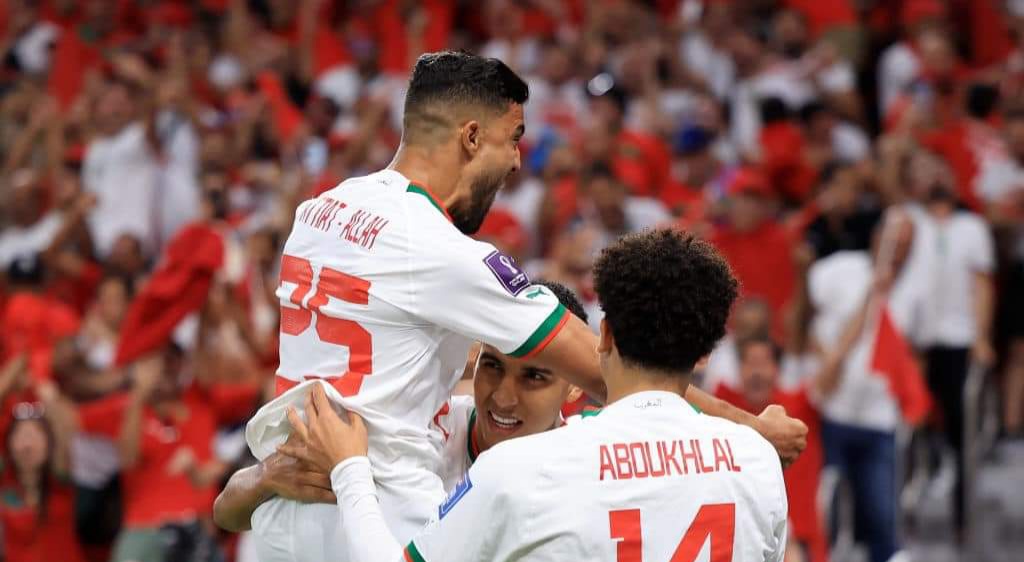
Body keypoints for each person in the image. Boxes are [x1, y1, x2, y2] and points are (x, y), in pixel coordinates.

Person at [236, 51, 806, 562]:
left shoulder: (318, 213)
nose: (516, 161)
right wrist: (752, 427)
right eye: (514, 137)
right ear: (471, 137)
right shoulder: (440, 250)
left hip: (284, 513)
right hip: (377, 514)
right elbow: (611, 366)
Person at [285, 228, 790, 562]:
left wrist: (349, 470)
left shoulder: (524, 468)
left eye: (534, 377)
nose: (505, 397)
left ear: (605, 337)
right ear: (704, 355)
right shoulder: (757, 463)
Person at [212, 280, 587, 531]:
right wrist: (265, 478)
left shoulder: (588, 465)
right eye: (493, 366)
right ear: (475, 357)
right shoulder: (424, 424)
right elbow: (227, 509)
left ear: (574, 388)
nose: (503, 397)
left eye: (534, 377)